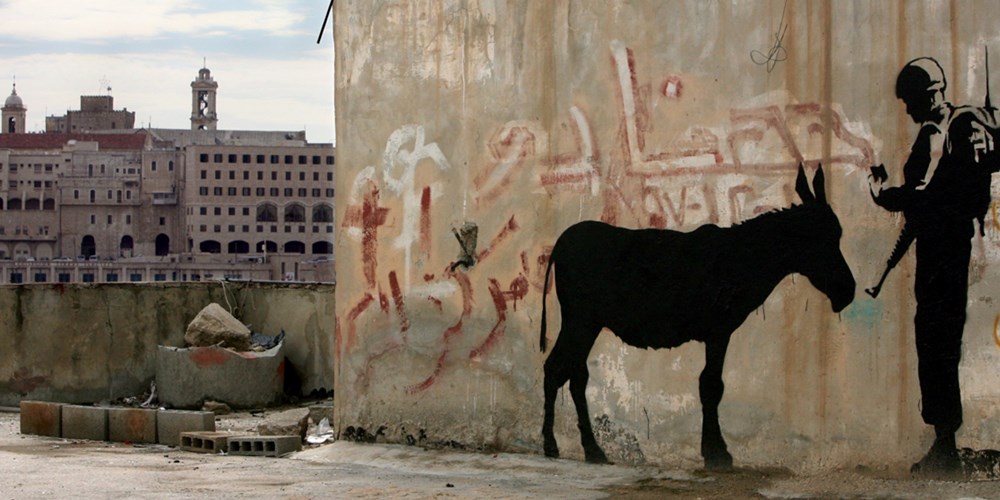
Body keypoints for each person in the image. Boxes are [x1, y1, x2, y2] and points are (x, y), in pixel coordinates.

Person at [870, 57, 999, 475]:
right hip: (960, 244)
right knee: (944, 343)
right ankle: (946, 442)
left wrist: (880, 194)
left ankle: (945, 448)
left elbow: (919, 199)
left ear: (926, 96)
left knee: (934, 345)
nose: (906, 110)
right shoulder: (974, 122)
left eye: (909, 101)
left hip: (941, 255)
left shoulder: (934, 134)